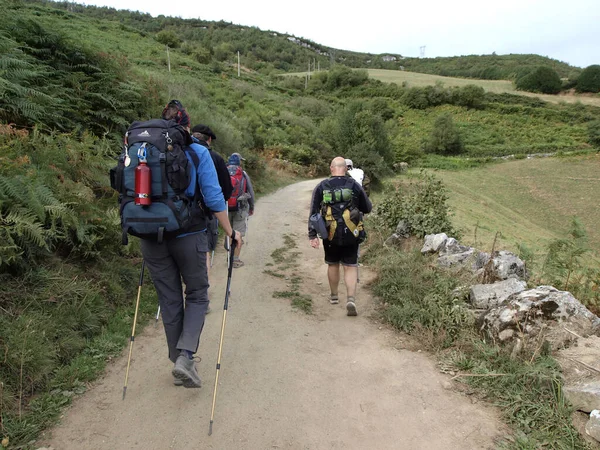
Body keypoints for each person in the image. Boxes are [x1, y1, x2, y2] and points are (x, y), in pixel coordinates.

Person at [141, 101, 242, 388]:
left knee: (169, 299)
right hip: (189, 235)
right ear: (187, 125)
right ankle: (186, 357)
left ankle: (178, 362)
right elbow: (213, 197)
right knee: (197, 294)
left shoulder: (144, 149)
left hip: (151, 236)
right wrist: (229, 231)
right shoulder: (197, 151)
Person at [309, 157, 372, 316]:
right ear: (346, 169)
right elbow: (367, 207)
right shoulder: (355, 185)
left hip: (330, 234)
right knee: (350, 266)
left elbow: (314, 213)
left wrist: (312, 235)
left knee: (333, 264)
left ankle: (334, 295)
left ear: (331, 169)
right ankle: (351, 299)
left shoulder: (322, 186)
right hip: (352, 233)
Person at [190, 123, 233, 313]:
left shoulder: (180, 150)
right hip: (206, 214)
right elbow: (227, 189)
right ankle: (202, 298)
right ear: (209, 139)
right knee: (204, 252)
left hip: (177, 214)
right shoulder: (213, 156)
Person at [226, 152, 255, 268]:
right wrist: (251, 207)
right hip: (240, 207)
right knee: (238, 233)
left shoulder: (223, 171)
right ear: (239, 161)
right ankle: (235, 260)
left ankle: (228, 257)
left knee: (229, 231)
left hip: (225, 208)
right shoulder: (243, 174)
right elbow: (250, 192)